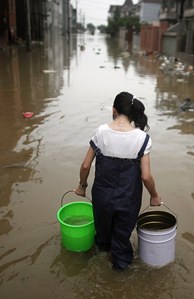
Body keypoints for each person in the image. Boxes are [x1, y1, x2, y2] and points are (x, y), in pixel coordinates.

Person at [75, 91, 162, 270]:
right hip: (128, 201)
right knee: (122, 238)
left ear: (114, 110)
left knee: (102, 238)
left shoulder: (100, 132)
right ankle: (120, 274)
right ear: (132, 112)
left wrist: (82, 186)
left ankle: (100, 261)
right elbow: (146, 176)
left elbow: (85, 167)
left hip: (102, 198)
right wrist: (154, 195)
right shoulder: (142, 139)